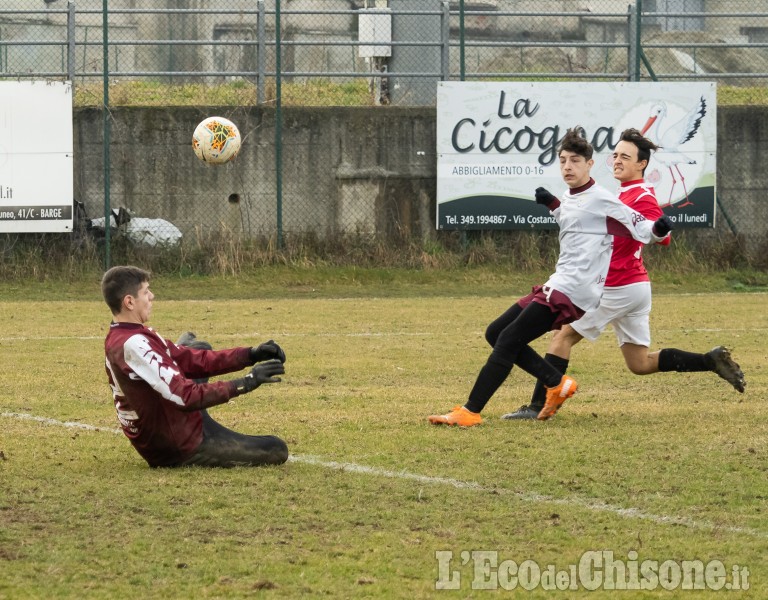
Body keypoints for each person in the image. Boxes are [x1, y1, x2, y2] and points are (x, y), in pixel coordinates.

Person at [428, 127, 673, 427]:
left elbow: (640, 226)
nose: (567, 167)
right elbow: (575, 219)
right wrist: (553, 205)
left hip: (573, 290)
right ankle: (555, 381)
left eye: (574, 161)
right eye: (562, 160)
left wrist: (659, 229)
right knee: (495, 332)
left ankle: (470, 411)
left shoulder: (603, 199)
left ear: (590, 164)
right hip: (558, 281)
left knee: (508, 340)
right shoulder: (573, 196)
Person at [503, 128, 746, 420]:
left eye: (625, 156)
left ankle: (536, 407)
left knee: (562, 335)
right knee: (640, 363)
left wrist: (657, 228)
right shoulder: (624, 192)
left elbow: (659, 234)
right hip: (634, 286)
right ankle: (709, 361)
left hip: (616, 285)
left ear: (641, 164)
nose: (617, 160)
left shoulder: (640, 195)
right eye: (615, 155)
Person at [102, 265, 289, 467]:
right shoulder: (133, 344)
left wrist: (249, 354)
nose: (152, 296)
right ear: (129, 302)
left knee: (198, 349)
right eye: (146, 292)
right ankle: (198, 448)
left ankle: (183, 345)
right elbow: (185, 396)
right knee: (276, 449)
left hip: (169, 425)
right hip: (178, 444)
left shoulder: (125, 334)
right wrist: (247, 382)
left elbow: (192, 359)